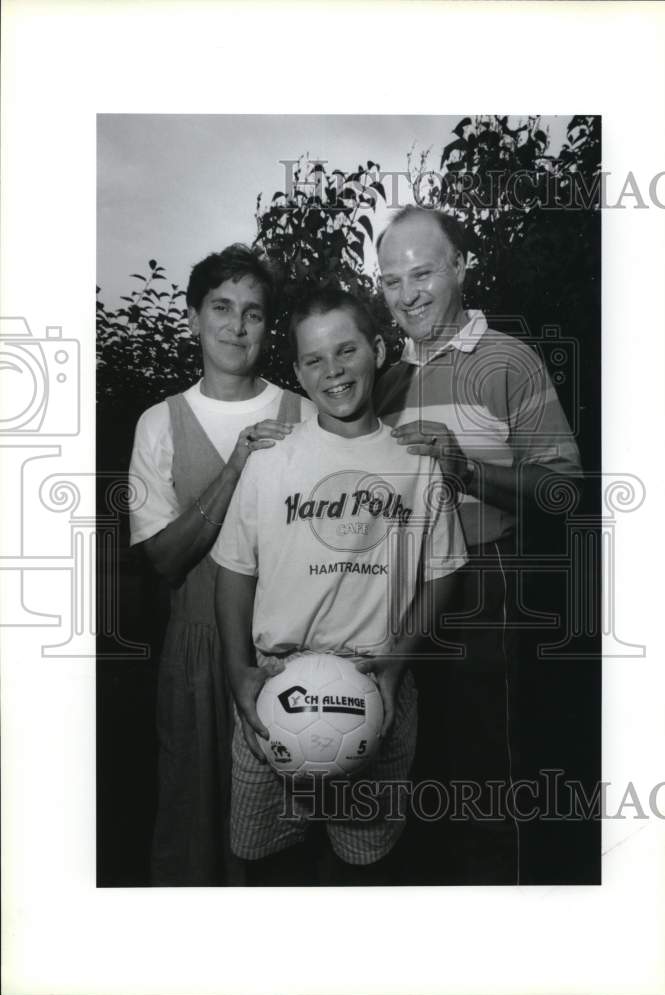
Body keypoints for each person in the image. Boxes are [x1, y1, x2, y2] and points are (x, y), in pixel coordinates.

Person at [212, 288, 468, 885]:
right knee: (265, 865)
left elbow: (444, 572)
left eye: (346, 350)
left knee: (364, 871)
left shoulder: (418, 462)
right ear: (298, 371)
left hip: (376, 686)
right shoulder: (271, 461)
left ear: (377, 350)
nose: (333, 371)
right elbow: (234, 572)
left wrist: (398, 665)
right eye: (314, 360)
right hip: (275, 689)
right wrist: (236, 672)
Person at [375, 206, 583, 883]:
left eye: (422, 273)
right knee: (400, 769)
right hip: (391, 595)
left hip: (483, 587)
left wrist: (466, 469)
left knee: (485, 774)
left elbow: (563, 491)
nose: (406, 295)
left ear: (460, 268)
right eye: (389, 281)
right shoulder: (379, 378)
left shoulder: (508, 360)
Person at [128, 244, 314, 886]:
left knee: (277, 828)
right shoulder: (160, 422)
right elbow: (163, 560)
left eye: (254, 313)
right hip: (194, 646)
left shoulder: (304, 414)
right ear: (192, 318)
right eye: (222, 308)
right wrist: (237, 465)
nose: (238, 327)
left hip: (284, 649)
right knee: (190, 816)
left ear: (268, 327)